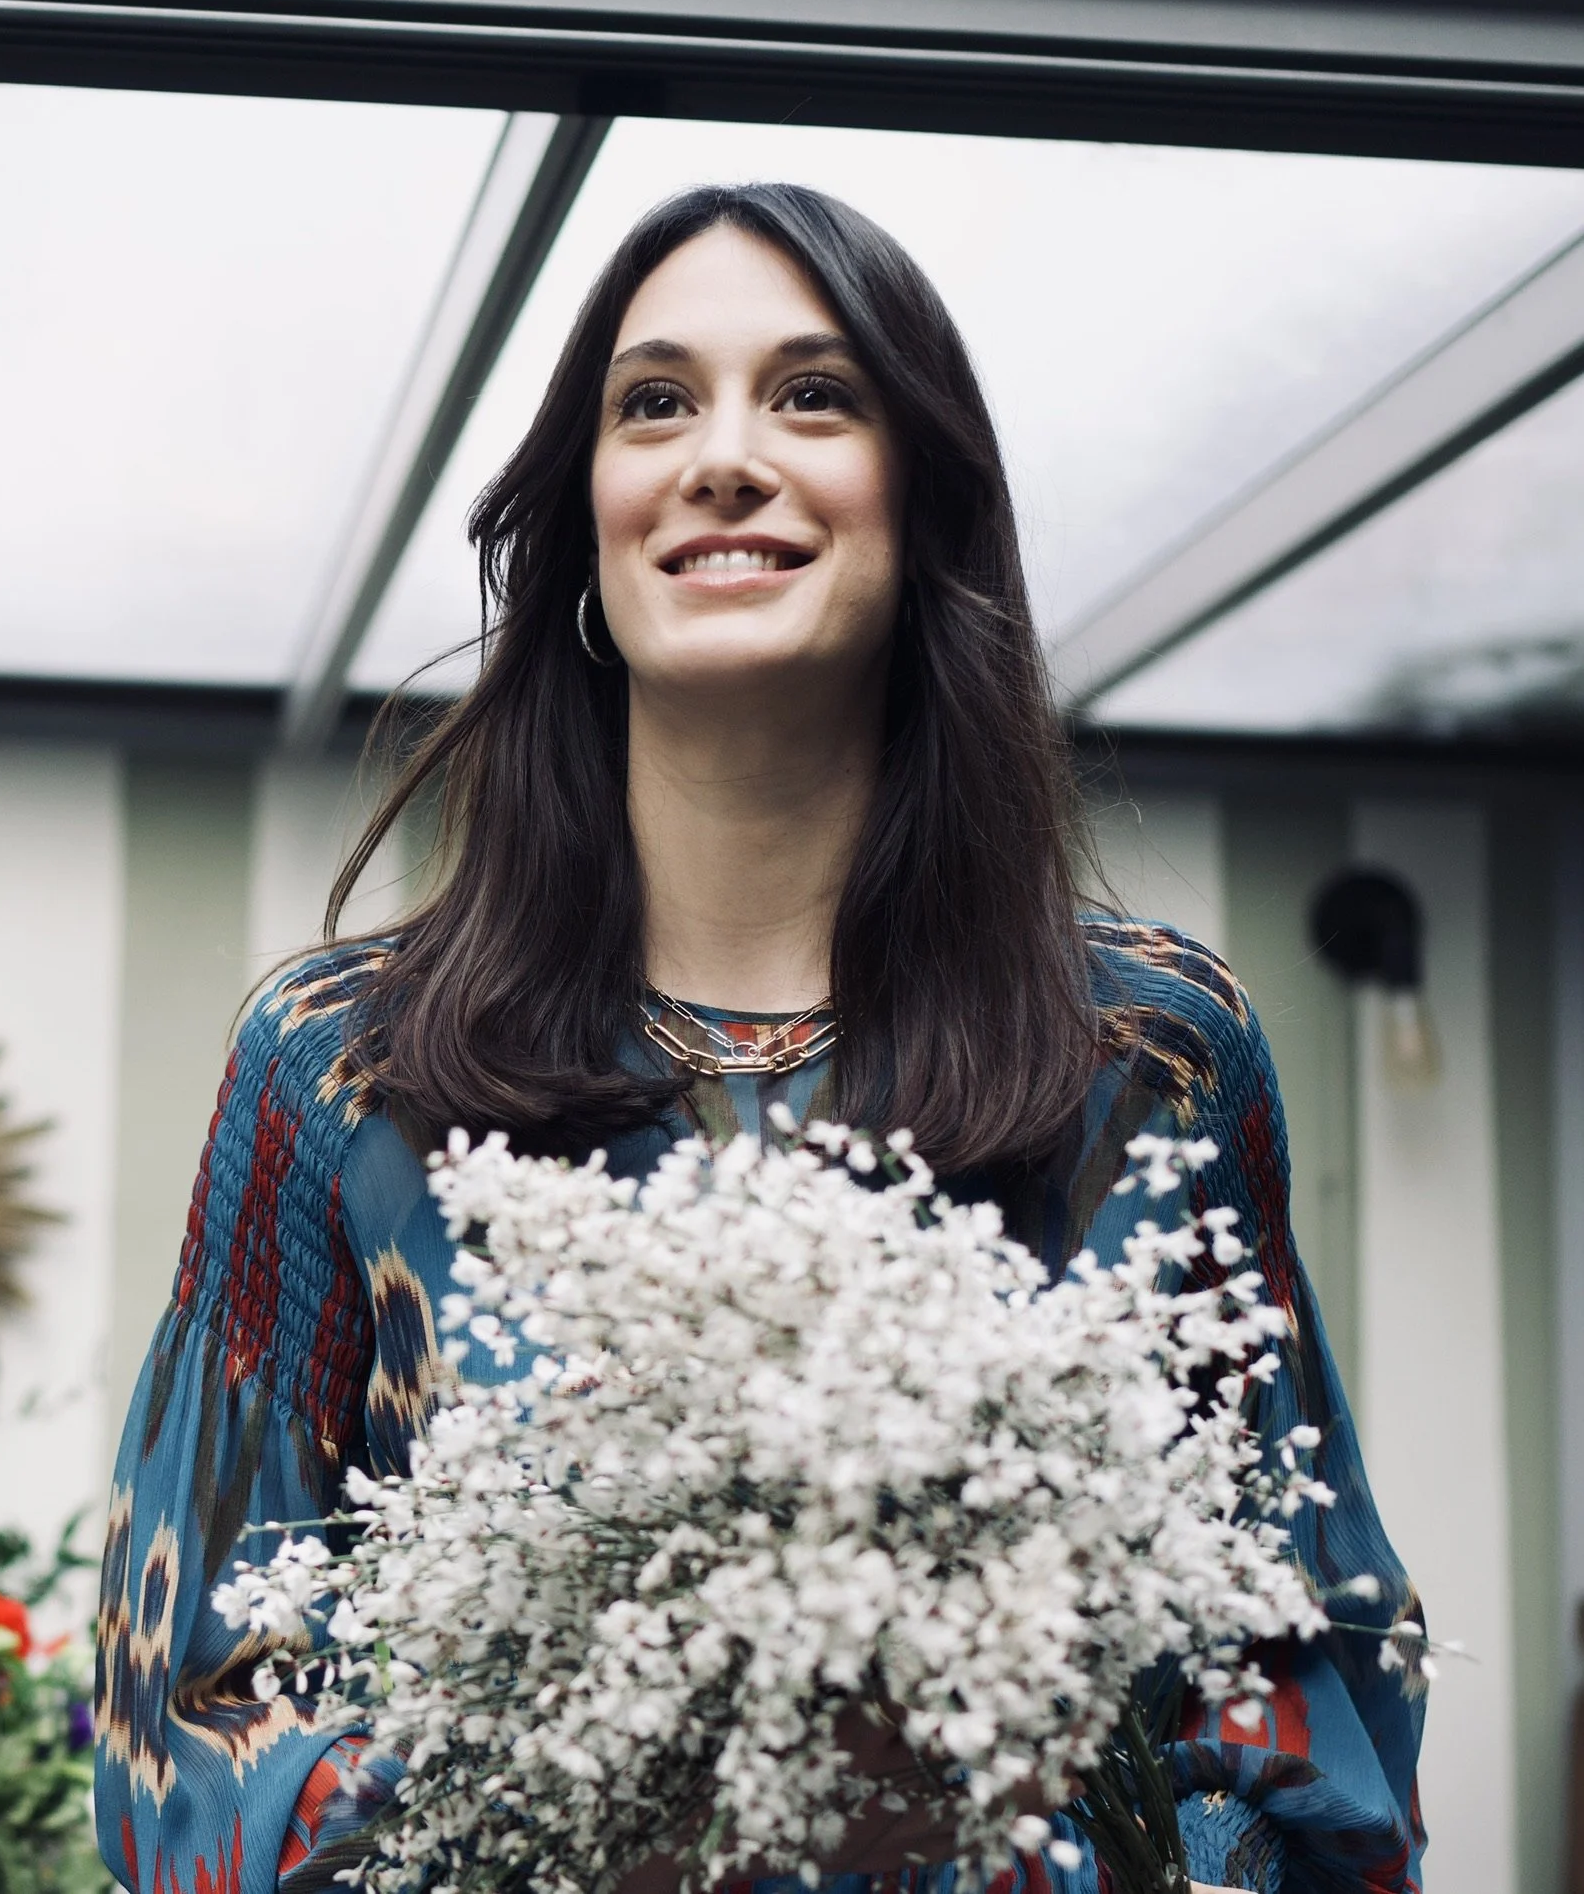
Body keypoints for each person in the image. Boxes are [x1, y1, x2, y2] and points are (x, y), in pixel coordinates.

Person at [93, 183, 1425, 1894]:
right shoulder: (341, 1063)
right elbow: (188, 1701)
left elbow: (1306, 1679)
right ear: (583, 522)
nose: (721, 454)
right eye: (653, 401)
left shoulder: (1147, 1056)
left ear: (925, 505)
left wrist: (1020, 1844)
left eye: (812, 392)